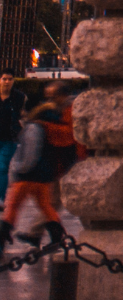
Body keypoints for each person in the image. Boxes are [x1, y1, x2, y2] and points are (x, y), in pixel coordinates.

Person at [0, 86, 71, 251]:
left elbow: (30, 154)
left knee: (12, 206)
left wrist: (19, 170)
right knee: (47, 207)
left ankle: (1, 239)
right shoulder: (54, 123)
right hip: (44, 176)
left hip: (28, 176)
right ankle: (57, 238)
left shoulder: (35, 126)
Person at [0, 73, 26, 188]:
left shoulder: (19, 97)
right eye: (4, 79)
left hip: (9, 137)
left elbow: (22, 114)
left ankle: (2, 195)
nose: (7, 82)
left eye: (10, 79)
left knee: (2, 167)